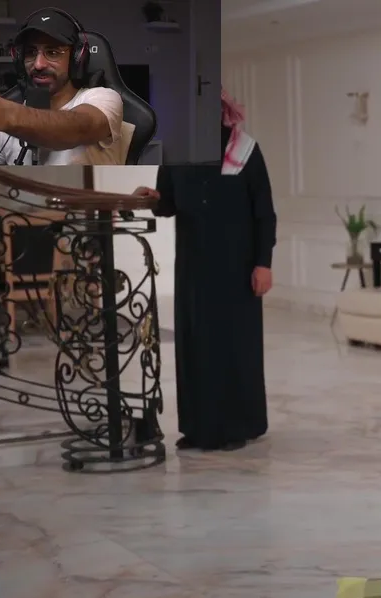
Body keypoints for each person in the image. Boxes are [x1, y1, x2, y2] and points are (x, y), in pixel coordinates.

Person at [132, 88, 274, 452]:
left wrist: (263, 263)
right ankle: (197, 428)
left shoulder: (246, 151)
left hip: (237, 270)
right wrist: (153, 199)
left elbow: (264, 214)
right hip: (194, 268)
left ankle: (237, 427)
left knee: (233, 348)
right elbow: (168, 202)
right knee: (195, 346)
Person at [0, 8, 125, 165]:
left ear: (77, 58)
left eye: (52, 52)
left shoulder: (103, 98)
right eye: (30, 52)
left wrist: (6, 115)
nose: (38, 64)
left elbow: (80, 128)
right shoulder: (1, 118)